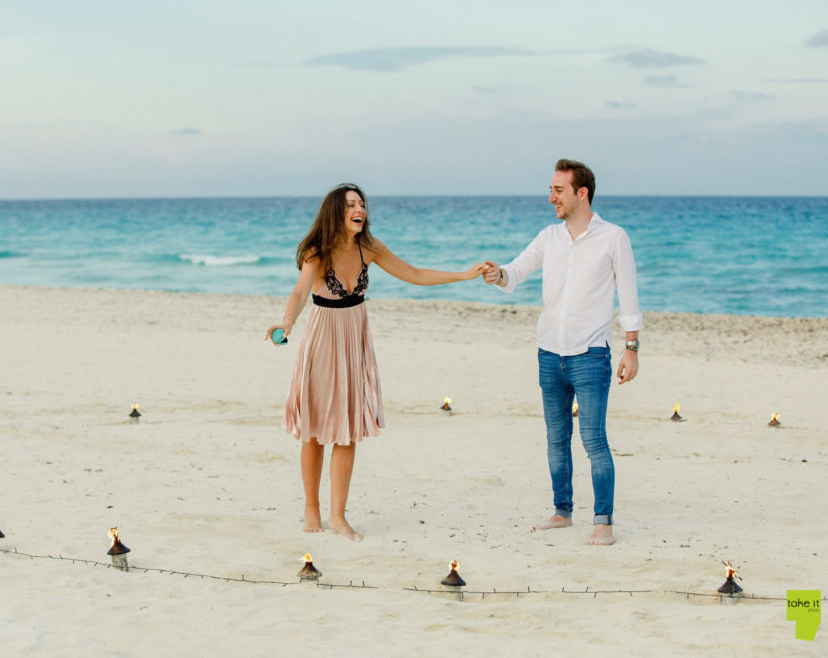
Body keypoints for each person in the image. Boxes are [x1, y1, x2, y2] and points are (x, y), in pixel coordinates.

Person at [267, 183, 486, 540]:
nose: (360, 209)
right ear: (336, 211)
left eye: (362, 204)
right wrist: (287, 322)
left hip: (355, 339)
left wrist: (462, 275)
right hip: (323, 339)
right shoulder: (317, 250)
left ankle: (338, 516)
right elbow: (299, 291)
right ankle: (312, 507)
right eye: (351, 204)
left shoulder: (369, 247)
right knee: (315, 428)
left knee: (347, 428)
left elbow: (413, 274)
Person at [481, 159, 642, 546]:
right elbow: (516, 271)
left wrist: (631, 348)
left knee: (593, 440)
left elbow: (629, 295)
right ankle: (562, 511)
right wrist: (496, 273)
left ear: (580, 193)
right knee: (556, 438)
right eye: (551, 189)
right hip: (549, 353)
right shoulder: (548, 237)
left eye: (558, 189)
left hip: (591, 355)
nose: (550, 196)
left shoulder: (613, 237)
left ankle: (603, 521)